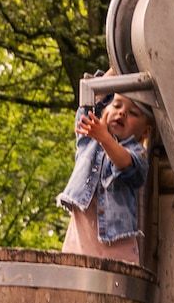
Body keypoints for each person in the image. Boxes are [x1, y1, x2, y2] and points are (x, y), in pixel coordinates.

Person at [60, 91, 153, 265]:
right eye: (117, 105)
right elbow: (92, 93)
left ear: (145, 131)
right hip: (79, 242)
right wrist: (122, 66)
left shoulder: (137, 154)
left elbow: (124, 163)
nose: (122, 112)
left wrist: (105, 138)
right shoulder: (88, 141)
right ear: (103, 111)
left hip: (116, 251)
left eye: (133, 113)